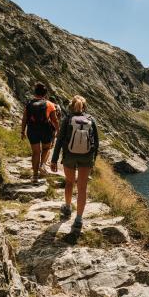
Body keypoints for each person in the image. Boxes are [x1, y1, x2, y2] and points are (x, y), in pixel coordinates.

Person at [51, 95, 99, 230]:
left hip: (69, 156)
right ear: (84, 107)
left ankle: (67, 207)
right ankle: (78, 219)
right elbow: (96, 141)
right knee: (82, 187)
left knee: (69, 182)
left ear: (71, 107)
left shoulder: (67, 119)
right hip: (86, 156)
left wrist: (54, 160)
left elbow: (59, 141)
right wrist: (93, 159)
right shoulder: (91, 120)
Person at [20, 82, 60, 184]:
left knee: (35, 152)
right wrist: (58, 131)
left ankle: (34, 176)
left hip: (32, 130)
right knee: (46, 148)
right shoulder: (50, 104)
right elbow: (54, 120)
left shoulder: (29, 104)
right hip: (46, 130)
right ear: (45, 94)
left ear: (35, 93)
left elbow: (24, 118)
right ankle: (42, 165)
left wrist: (22, 131)